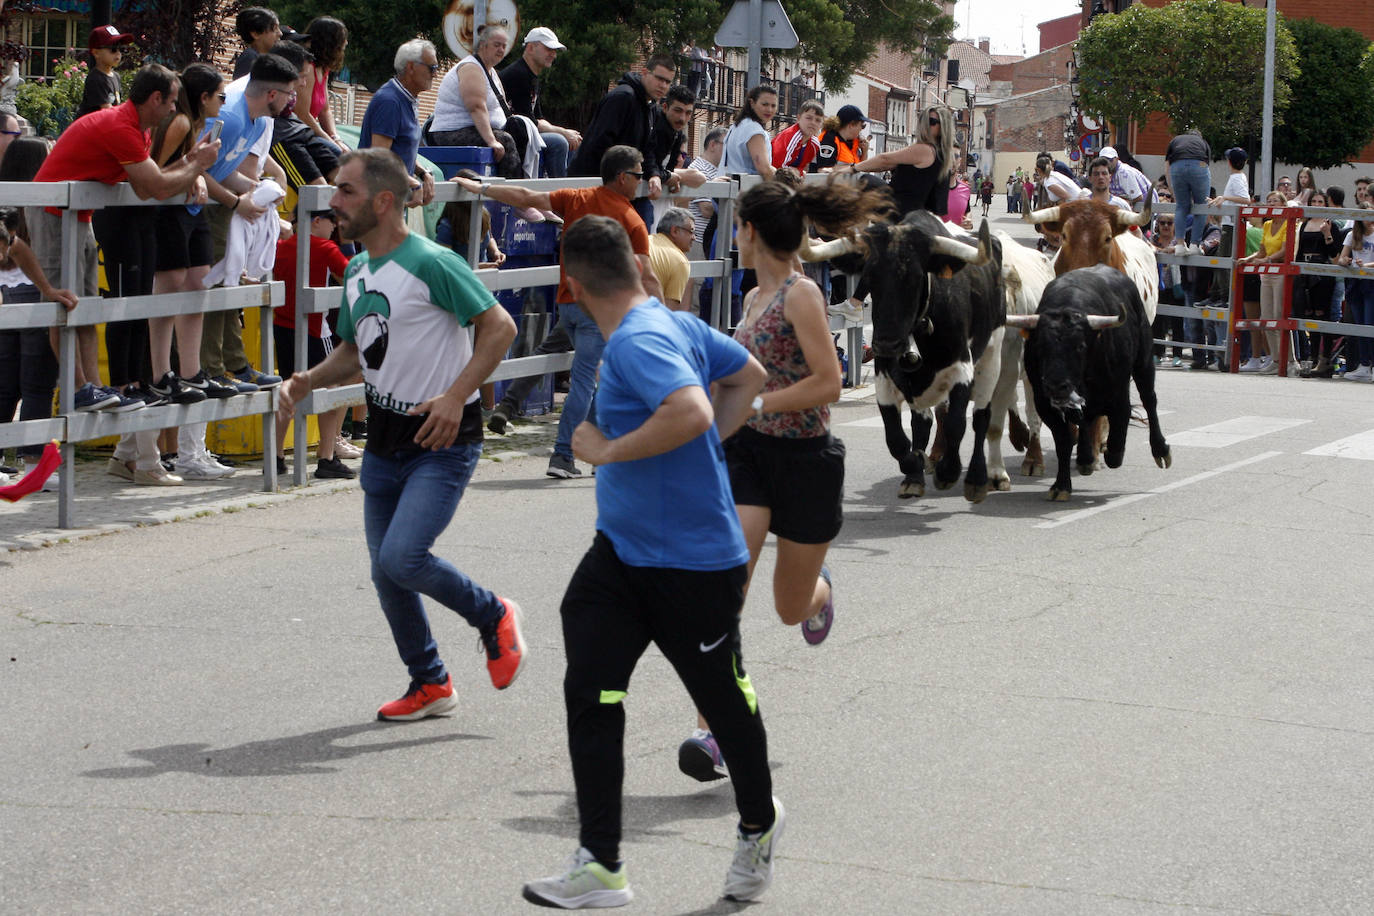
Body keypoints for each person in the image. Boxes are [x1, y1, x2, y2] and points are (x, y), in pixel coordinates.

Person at [519, 214, 780, 910]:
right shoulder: (671, 322)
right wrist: (700, 450)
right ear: (638, 264)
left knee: (723, 704)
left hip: (694, 566)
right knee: (593, 689)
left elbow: (692, 410)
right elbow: (747, 376)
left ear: (568, 285)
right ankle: (601, 866)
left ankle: (758, 826)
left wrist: (605, 451)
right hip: (624, 555)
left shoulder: (639, 339)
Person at [276, 148, 525, 720]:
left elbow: (499, 326)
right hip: (386, 442)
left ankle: (492, 615)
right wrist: (305, 381)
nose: (333, 202)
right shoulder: (357, 268)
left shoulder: (433, 263)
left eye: (345, 192)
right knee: (386, 570)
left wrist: (458, 394)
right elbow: (353, 352)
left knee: (404, 558)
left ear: (383, 202)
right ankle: (430, 682)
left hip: (442, 439)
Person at [676, 177, 889, 787]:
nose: (733, 234)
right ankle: (714, 731)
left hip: (805, 463)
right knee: (721, 594)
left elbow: (830, 381)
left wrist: (762, 406)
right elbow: (735, 386)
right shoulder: (749, 301)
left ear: (749, 230)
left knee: (789, 607)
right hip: (747, 459)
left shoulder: (800, 297)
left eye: (737, 225)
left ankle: (819, 592)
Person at [452, 146, 664, 474]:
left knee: (599, 376)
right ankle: (564, 455)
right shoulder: (632, 221)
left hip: (568, 305)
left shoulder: (577, 197)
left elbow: (524, 196)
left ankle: (592, 448)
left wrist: (482, 188)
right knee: (587, 381)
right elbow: (647, 276)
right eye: (638, 175)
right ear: (623, 178)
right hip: (601, 311)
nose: (640, 182)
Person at [271, 209, 356, 479]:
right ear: (317, 221)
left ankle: (275, 456)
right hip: (315, 329)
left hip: (282, 327)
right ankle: (326, 456)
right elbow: (349, 277)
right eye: (333, 221)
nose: (336, 228)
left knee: (288, 386)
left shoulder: (281, 247)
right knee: (333, 387)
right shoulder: (325, 247)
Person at [571, 54, 676, 228]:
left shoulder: (649, 106)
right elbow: (599, 144)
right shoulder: (623, 97)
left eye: (668, 82)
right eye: (659, 78)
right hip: (596, 189)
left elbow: (647, 150)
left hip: (622, 190)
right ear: (644, 72)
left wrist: (655, 175)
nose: (663, 85)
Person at [430, 26, 527, 181]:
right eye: (497, 45)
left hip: (477, 129)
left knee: (523, 135)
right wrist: (492, 141)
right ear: (483, 45)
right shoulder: (471, 68)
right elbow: (476, 107)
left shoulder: (492, 72)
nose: (501, 49)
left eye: (504, 46)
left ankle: (530, 190)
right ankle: (512, 198)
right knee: (505, 140)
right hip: (451, 132)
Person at [358, 38, 438, 208]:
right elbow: (379, 158)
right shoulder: (390, 101)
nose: (435, 74)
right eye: (432, 68)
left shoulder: (404, 99)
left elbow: (401, 150)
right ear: (410, 67)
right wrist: (413, 183)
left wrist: (423, 173)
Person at [499, 27, 582, 179]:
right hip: (510, 133)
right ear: (531, 47)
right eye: (549, 48)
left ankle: (569, 191)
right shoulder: (519, 75)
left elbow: (538, 117)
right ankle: (559, 196)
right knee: (559, 142)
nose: (553, 54)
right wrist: (563, 132)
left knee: (572, 142)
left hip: (525, 131)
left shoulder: (533, 76)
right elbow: (529, 121)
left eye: (555, 50)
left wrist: (566, 133)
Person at [842, 106, 952, 218]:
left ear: (943, 127)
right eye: (922, 120)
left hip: (897, 209)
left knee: (864, 180)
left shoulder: (924, 150)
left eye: (931, 122)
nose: (925, 125)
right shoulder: (942, 156)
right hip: (914, 215)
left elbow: (884, 159)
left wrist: (852, 168)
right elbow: (885, 165)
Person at [295, 16, 347, 152]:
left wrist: (336, 138)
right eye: (342, 39)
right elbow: (303, 114)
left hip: (310, 132)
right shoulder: (308, 68)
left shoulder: (324, 68)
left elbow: (325, 111)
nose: (345, 43)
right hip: (296, 133)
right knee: (337, 154)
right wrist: (331, 142)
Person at [1337, 202, 1374, 381]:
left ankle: (1371, 364)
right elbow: (1342, 257)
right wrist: (1346, 261)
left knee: (1369, 323)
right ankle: (1364, 365)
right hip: (1355, 283)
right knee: (1359, 325)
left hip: (1371, 283)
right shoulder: (1353, 235)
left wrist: (1365, 265)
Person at [1166, 128, 1211, 251]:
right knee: (1201, 205)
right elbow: (1206, 164)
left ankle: (1180, 244)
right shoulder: (1203, 143)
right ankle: (1194, 245)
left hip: (1176, 166)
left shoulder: (1176, 140)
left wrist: (1171, 189)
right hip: (1199, 164)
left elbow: (1167, 167)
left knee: (1181, 206)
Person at [75, 25, 133, 120]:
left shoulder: (116, 76)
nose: (118, 53)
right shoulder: (96, 78)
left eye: (121, 49)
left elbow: (117, 106)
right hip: (91, 131)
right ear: (96, 53)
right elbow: (107, 111)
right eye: (113, 49)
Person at [721, 85, 776, 181]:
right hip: (743, 190)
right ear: (752, 103)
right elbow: (764, 169)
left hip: (727, 186)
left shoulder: (737, 126)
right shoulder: (753, 129)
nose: (769, 110)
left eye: (773, 106)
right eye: (765, 104)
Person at [648, 207, 693, 310]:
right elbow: (668, 312)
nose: (694, 237)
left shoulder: (645, 240)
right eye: (691, 231)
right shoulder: (680, 262)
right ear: (674, 231)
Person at [770, 99, 823, 172]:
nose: (813, 123)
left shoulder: (815, 144)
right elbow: (777, 167)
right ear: (798, 118)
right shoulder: (791, 136)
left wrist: (799, 172)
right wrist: (798, 172)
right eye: (808, 118)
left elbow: (802, 169)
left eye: (818, 120)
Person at [232, 7, 282, 80]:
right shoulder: (250, 58)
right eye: (274, 29)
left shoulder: (266, 59)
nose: (280, 33)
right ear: (255, 34)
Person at [812, 105, 866, 171]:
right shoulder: (829, 139)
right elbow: (823, 171)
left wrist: (864, 151)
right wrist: (852, 168)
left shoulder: (854, 143)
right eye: (862, 126)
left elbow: (861, 170)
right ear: (851, 125)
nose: (861, 129)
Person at [1098, 145, 1152, 211]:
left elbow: (1138, 197)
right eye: (1104, 161)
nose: (1107, 163)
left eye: (1110, 160)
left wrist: (1122, 203)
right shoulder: (1105, 172)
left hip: (1148, 207)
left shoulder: (1124, 173)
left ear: (1117, 159)